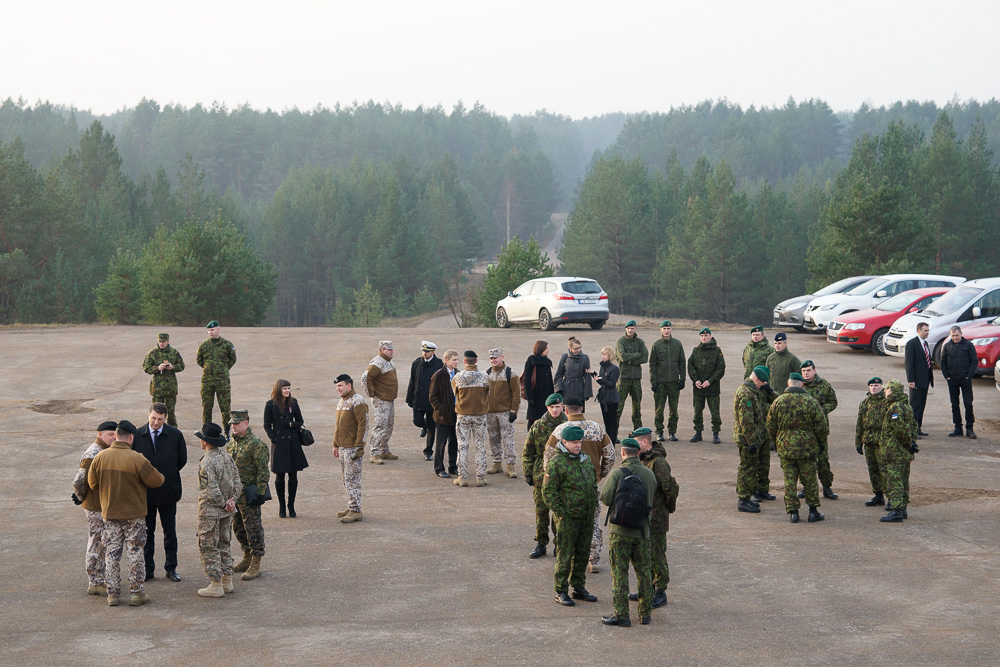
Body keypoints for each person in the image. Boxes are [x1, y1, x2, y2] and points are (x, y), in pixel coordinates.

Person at [87, 420, 165, 607]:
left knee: (112, 554)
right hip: (134, 516)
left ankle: (112, 594)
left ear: (116, 435)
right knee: (135, 552)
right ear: (131, 437)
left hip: (110, 514)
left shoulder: (100, 457)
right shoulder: (137, 458)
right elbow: (157, 480)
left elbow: (92, 484)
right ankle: (136, 593)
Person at [542, 397, 615, 573]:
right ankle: (594, 559)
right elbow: (610, 455)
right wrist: (600, 475)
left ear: (565, 410)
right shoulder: (596, 428)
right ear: (582, 408)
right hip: (591, 484)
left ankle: (570, 558)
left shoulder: (560, 431)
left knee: (568, 524)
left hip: (567, 489)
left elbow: (548, 459)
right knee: (594, 522)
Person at [600, 438, 657, 627]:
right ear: (638, 452)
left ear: (623, 453)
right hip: (642, 532)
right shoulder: (649, 474)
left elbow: (606, 498)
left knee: (620, 573)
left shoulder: (617, 474)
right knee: (644, 572)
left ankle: (622, 614)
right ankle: (645, 613)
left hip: (620, 532)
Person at [542, 424, 599, 608]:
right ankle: (560, 590)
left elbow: (592, 483)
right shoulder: (556, 463)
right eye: (574, 442)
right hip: (568, 518)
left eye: (580, 441)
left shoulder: (585, 459)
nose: (578, 445)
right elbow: (548, 493)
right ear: (564, 442)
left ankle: (579, 588)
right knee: (565, 555)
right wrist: (561, 514)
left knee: (582, 554)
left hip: (586, 517)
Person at [133, 402, 187, 582]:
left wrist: (167, 473)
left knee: (170, 533)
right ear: (148, 415)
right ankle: (148, 569)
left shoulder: (175, 435)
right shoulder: (137, 436)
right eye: (153, 418)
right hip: (145, 494)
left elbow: (181, 460)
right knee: (146, 533)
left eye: (160, 420)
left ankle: (171, 568)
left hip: (168, 492)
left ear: (166, 419)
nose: (156, 423)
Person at [767, 373, 828, 524]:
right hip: (807, 449)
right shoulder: (811, 402)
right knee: (810, 479)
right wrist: (821, 444)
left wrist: (776, 441)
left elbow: (770, 425)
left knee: (789, 480)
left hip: (785, 449)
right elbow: (821, 427)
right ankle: (813, 511)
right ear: (802, 384)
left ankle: (793, 511)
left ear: (788, 384)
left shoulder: (778, 402)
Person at [194, 422, 242, 598]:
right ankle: (227, 581)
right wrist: (231, 501)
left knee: (208, 546)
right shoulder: (226, 457)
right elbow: (238, 481)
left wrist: (222, 503)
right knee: (224, 544)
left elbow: (210, 490)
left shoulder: (207, 462)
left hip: (210, 513)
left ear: (205, 441)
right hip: (226, 511)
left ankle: (215, 584)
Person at [71, 420, 118, 596]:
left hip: (102, 505)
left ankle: (100, 578)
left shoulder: (104, 450)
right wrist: (81, 497)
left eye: (115, 434)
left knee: (102, 541)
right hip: (94, 506)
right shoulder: (93, 453)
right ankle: (95, 581)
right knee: (96, 542)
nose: (113, 437)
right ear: (99, 434)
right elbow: (78, 481)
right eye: (109, 435)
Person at [634, 427, 678, 609]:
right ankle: (647, 588)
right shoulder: (643, 460)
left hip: (657, 517)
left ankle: (660, 591)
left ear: (645, 442)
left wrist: (668, 507)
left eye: (636, 442)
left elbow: (670, 489)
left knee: (657, 554)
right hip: (645, 517)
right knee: (645, 553)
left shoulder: (658, 462)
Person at [522, 393, 567, 558]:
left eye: (557, 407)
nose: (555, 410)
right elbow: (528, 452)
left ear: (562, 407)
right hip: (542, 477)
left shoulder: (568, 426)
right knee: (541, 513)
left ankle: (558, 544)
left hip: (562, 478)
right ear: (547, 408)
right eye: (552, 407)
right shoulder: (538, 426)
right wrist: (528, 472)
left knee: (559, 514)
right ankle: (541, 543)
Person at [227, 410, 269, 579]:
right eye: (232, 424)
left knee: (253, 528)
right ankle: (246, 556)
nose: (233, 427)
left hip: (250, 495)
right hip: (235, 495)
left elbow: (263, 471)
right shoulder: (232, 444)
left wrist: (260, 492)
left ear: (246, 423)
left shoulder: (256, 444)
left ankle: (256, 562)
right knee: (238, 527)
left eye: (236, 424)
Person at [263, 379, 307, 518]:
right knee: (279, 476)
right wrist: (273, 438)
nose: (287, 391)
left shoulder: (293, 402)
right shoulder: (270, 405)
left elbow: (300, 421)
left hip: (293, 443)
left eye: (288, 388)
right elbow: (266, 425)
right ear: (278, 390)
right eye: (284, 388)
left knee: (293, 475)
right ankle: (282, 506)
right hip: (279, 444)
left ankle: (291, 505)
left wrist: (290, 424)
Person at [733, 366, 773, 514]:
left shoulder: (753, 391)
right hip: (747, 439)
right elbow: (746, 422)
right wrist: (752, 442)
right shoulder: (745, 394)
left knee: (751, 468)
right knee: (747, 468)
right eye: (762, 382)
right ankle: (743, 500)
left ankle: (747, 497)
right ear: (756, 379)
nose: (763, 385)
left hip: (753, 437)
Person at [879, 380, 918, 522]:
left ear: (893, 391)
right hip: (903, 452)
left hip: (895, 452)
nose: (885, 391)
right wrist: (912, 443)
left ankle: (896, 510)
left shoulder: (895, 408)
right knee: (903, 480)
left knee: (895, 481)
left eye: (887, 389)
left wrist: (908, 443)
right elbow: (914, 426)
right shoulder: (906, 406)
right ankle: (902, 508)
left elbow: (900, 430)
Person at [801, 360, 840, 500]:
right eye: (804, 371)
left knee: (823, 460)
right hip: (804, 431)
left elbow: (833, 402)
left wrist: (821, 410)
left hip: (820, 430)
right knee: (805, 461)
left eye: (808, 370)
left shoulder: (823, 385)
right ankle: (806, 487)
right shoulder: (799, 386)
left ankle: (827, 487)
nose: (806, 373)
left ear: (814, 370)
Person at [333, 374, 369, 523]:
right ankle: (352, 505)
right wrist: (335, 443)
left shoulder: (358, 401)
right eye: (337, 386)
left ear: (349, 385)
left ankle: (355, 511)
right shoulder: (342, 402)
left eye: (340, 386)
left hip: (352, 448)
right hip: (342, 447)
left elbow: (363, 425)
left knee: (352, 479)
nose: (338, 389)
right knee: (346, 479)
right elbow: (339, 425)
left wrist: (359, 446)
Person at [452, 350, 491, 487]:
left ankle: (462, 476)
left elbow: (454, 392)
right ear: (476, 360)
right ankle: (480, 476)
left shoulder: (458, 377)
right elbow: (488, 393)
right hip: (480, 415)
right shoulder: (484, 376)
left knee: (462, 446)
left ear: (464, 361)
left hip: (463, 415)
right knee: (480, 446)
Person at [196, 320, 237, 435]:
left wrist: (223, 369)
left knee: (225, 407)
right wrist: (208, 369)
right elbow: (199, 360)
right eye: (208, 330)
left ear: (218, 329)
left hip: (222, 381)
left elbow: (233, 359)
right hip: (207, 381)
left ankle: (227, 431)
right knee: (207, 407)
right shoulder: (204, 345)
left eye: (212, 330)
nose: (210, 332)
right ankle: (206, 431)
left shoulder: (227, 344)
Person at [485, 347, 521, 477]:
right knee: (493, 438)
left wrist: (513, 411)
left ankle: (510, 465)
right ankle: (497, 463)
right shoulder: (487, 373)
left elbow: (516, 394)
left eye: (495, 358)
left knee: (507, 439)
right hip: (490, 413)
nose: (493, 360)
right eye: (491, 358)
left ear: (502, 357)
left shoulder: (510, 374)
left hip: (505, 413)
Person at [648, 320, 685, 442]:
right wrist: (653, 381)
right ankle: (659, 432)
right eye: (664, 328)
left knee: (673, 409)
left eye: (668, 328)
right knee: (659, 409)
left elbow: (682, 362)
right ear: (660, 330)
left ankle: (672, 432)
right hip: (661, 382)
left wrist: (682, 379)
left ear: (671, 330)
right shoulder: (656, 345)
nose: (666, 331)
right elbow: (652, 364)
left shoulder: (677, 344)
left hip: (674, 382)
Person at [688, 327, 726, 443]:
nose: (704, 338)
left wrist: (710, 380)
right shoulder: (696, 351)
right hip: (698, 388)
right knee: (697, 412)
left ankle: (716, 433)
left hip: (712, 388)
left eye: (706, 336)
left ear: (710, 336)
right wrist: (695, 380)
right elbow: (691, 366)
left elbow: (721, 368)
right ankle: (698, 433)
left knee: (715, 412)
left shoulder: (717, 350)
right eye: (702, 336)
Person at [363, 340, 399, 462]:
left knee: (389, 425)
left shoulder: (389, 361)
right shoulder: (378, 362)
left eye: (392, 349)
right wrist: (371, 394)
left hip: (389, 399)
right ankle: (374, 453)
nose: (392, 351)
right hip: (381, 401)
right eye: (389, 349)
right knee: (380, 426)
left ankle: (384, 450)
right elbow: (366, 377)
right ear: (382, 350)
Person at [405, 341, 442, 460]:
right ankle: (423, 426)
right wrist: (410, 398)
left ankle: (428, 451)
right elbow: (412, 381)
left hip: (432, 401)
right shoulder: (416, 363)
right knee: (417, 421)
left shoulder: (439, 364)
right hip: (419, 399)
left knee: (432, 427)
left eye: (427, 351)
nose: (424, 353)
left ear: (433, 352)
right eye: (423, 351)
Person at [855, 377, 888, 508]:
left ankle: (891, 498)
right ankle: (878, 495)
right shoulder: (865, 403)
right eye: (871, 386)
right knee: (873, 470)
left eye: (876, 385)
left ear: (882, 387)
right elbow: (859, 424)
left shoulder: (887, 402)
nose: (873, 388)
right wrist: (858, 442)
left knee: (885, 470)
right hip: (869, 441)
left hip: (882, 442)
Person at [940, 326, 977, 439]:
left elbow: (974, 361)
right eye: (953, 336)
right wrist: (947, 376)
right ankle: (958, 428)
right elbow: (943, 362)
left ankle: (969, 428)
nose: (955, 338)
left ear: (961, 334)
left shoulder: (968, 345)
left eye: (957, 335)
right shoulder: (947, 346)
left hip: (965, 379)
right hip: (952, 380)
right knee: (954, 404)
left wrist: (969, 375)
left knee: (968, 403)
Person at [428, 349, 460, 478]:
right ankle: (439, 468)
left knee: (454, 442)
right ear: (446, 361)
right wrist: (440, 410)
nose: (456, 362)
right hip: (443, 415)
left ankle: (452, 467)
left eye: (457, 359)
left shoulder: (457, 374)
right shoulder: (439, 375)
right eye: (454, 360)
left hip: (455, 414)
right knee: (441, 443)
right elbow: (432, 396)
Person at [142, 333, 185, 426]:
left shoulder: (174, 352)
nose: (161, 344)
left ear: (168, 341)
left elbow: (182, 366)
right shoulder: (153, 353)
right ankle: (154, 429)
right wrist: (157, 368)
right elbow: (146, 367)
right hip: (158, 388)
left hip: (170, 388)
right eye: (160, 341)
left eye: (163, 342)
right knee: (156, 412)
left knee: (171, 412)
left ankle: (173, 432)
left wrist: (173, 367)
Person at [615, 320, 648, 431]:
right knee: (618, 407)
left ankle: (638, 430)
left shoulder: (640, 342)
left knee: (637, 407)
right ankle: (614, 432)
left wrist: (631, 361)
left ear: (635, 329)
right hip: (623, 379)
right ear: (625, 329)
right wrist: (637, 355)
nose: (630, 330)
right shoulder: (621, 341)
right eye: (628, 328)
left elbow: (645, 357)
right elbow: (623, 357)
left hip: (636, 379)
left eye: (632, 328)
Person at [904, 322, 934, 437]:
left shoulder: (925, 343)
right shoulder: (912, 344)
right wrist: (911, 380)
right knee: (914, 406)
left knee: (922, 406)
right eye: (925, 330)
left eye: (928, 330)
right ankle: (912, 430)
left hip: (925, 380)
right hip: (916, 381)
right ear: (918, 330)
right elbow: (909, 364)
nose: (927, 332)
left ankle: (918, 428)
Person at [522, 340, 555, 432]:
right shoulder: (531, 360)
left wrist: (552, 396)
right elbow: (527, 380)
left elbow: (550, 381)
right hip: (535, 396)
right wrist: (530, 398)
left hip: (547, 396)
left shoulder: (547, 361)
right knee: (533, 419)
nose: (548, 350)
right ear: (540, 349)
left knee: (546, 419)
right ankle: (530, 437)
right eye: (546, 348)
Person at [554, 338, 593, 408]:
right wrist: (559, 389)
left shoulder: (585, 358)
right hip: (567, 389)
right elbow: (559, 374)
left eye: (579, 348)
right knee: (567, 412)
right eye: (575, 349)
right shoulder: (565, 357)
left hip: (579, 388)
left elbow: (587, 376)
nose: (578, 350)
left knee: (579, 412)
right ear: (570, 348)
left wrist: (587, 393)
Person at [765, 332, 801, 406]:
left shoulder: (792, 359)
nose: (777, 346)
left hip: (786, 396)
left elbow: (801, 376)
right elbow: (766, 375)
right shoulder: (770, 358)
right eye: (775, 343)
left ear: (785, 343)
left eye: (779, 343)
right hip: (771, 395)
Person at [594, 346, 621, 445]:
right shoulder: (603, 366)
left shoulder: (615, 368)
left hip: (612, 399)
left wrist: (602, 379)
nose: (602, 357)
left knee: (612, 423)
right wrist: (595, 376)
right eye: (602, 354)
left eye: (604, 355)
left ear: (610, 356)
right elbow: (603, 383)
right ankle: (608, 443)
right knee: (606, 423)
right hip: (603, 398)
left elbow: (611, 384)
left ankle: (612, 444)